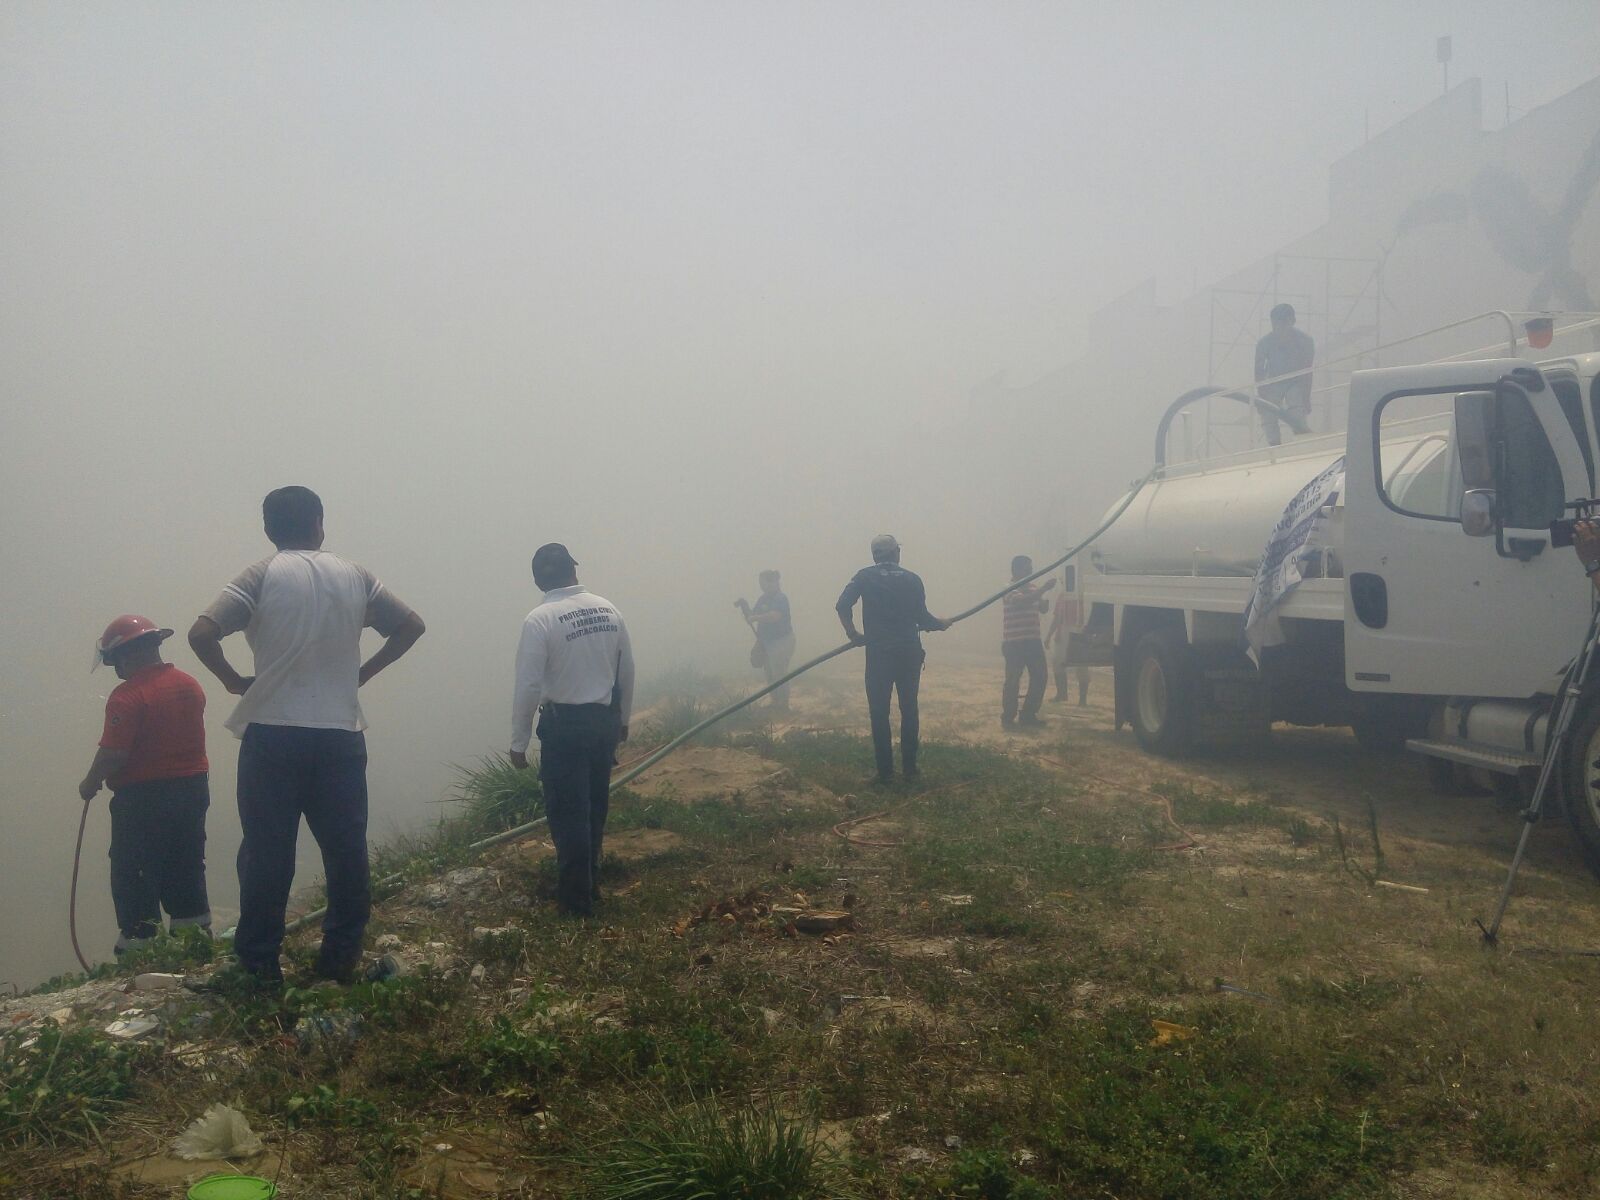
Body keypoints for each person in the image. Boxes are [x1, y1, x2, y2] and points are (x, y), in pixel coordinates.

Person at [189, 486, 425, 986]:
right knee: (346, 851)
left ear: (270, 530)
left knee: (268, 852)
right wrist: (362, 673)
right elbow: (411, 626)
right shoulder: (356, 575)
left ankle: (259, 967)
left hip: (273, 733)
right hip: (339, 733)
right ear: (320, 522)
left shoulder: (260, 575)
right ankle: (337, 962)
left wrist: (234, 682)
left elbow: (202, 633)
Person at [508, 543, 635, 917]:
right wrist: (623, 720)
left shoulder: (540, 620)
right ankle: (590, 886)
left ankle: (576, 904)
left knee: (568, 814)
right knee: (595, 806)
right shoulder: (609, 609)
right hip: (603, 722)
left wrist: (518, 741)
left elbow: (528, 685)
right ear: (574, 571)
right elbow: (625, 669)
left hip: (564, 727)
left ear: (537, 581)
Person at [78, 615, 212, 956]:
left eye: (115, 662)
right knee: (185, 863)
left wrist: (89, 783)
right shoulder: (189, 684)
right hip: (193, 790)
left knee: (134, 872)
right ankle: (194, 945)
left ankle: (139, 953)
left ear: (127, 655)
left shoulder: (127, 696)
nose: (116, 670)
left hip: (143, 799)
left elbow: (113, 754)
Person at [836, 534, 949, 784]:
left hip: (879, 655)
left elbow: (842, 605)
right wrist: (940, 624)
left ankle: (885, 773)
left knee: (879, 712)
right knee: (909, 709)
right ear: (896, 553)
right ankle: (910, 770)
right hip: (909, 653)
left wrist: (853, 634)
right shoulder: (912, 579)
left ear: (874, 555)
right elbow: (923, 617)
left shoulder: (863, 576)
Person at [1000, 556, 1055, 729]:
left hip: (1032, 641)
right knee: (1013, 680)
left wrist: (1043, 601)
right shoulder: (1009, 588)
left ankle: (1028, 714)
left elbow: (1041, 607)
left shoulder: (1032, 588)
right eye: (1027, 568)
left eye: (1030, 568)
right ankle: (1008, 716)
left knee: (1040, 676)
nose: (1031, 572)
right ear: (1016, 570)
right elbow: (1021, 602)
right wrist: (1044, 589)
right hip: (1014, 642)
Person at [1254, 302, 1316, 446]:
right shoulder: (1264, 343)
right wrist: (1261, 397)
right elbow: (1259, 371)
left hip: (1296, 383)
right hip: (1272, 382)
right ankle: (1274, 446)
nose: (1279, 328)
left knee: (1297, 411)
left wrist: (1306, 398)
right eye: (1275, 324)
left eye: (1283, 323)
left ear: (1292, 321)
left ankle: (1301, 441)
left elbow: (1307, 371)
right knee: (1268, 413)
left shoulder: (1305, 341)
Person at [735, 569, 795, 710]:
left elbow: (774, 616)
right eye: (760, 583)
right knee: (769, 672)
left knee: (779, 672)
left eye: (764, 583)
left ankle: (784, 705)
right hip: (766, 642)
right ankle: (775, 702)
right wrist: (745, 607)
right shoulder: (763, 599)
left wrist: (755, 618)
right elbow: (752, 614)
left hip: (783, 641)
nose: (762, 586)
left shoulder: (780, 598)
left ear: (773, 582)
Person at [1044, 564, 1092, 706]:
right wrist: (1049, 635)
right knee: (1059, 662)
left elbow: (1058, 618)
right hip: (1067, 631)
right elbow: (1057, 618)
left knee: (1081, 665)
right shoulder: (1063, 596)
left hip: (1077, 630)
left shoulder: (1081, 596)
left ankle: (1081, 699)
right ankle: (1063, 694)